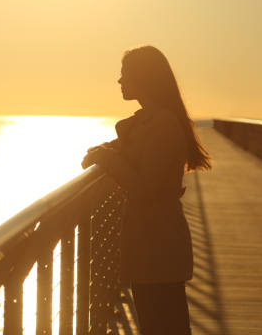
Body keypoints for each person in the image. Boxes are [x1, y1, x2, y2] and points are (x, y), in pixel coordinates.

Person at [81, 45, 211, 335]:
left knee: (164, 326)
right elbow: (134, 155)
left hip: (159, 245)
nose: (119, 81)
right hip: (152, 244)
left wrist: (106, 157)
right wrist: (106, 151)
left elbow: (144, 187)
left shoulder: (162, 123)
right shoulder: (149, 122)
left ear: (143, 77)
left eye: (125, 73)